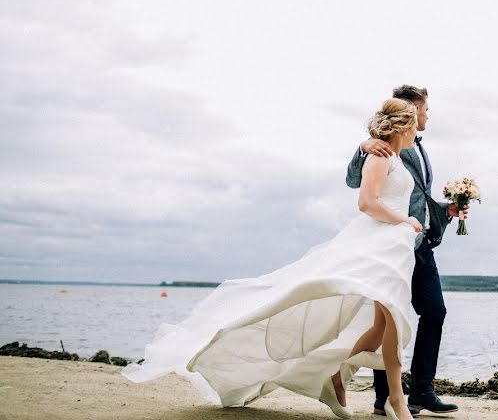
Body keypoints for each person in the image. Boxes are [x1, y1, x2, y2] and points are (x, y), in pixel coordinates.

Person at [124, 98, 426, 420]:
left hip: (393, 246)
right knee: (391, 319)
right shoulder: (379, 157)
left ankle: (337, 376)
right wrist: (404, 221)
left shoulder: (394, 156)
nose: (418, 132)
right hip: (376, 245)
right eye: (415, 125)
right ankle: (396, 400)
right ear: (403, 126)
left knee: (383, 324)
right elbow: (366, 203)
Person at [346, 85, 465, 416]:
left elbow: (419, 200)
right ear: (410, 111)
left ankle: (422, 390)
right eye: (425, 109)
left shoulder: (417, 146)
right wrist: (362, 146)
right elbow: (356, 184)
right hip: (393, 244)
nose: (428, 115)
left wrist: (448, 210)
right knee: (388, 322)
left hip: (420, 243)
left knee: (434, 312)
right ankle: (383, 397)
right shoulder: (382, 148)